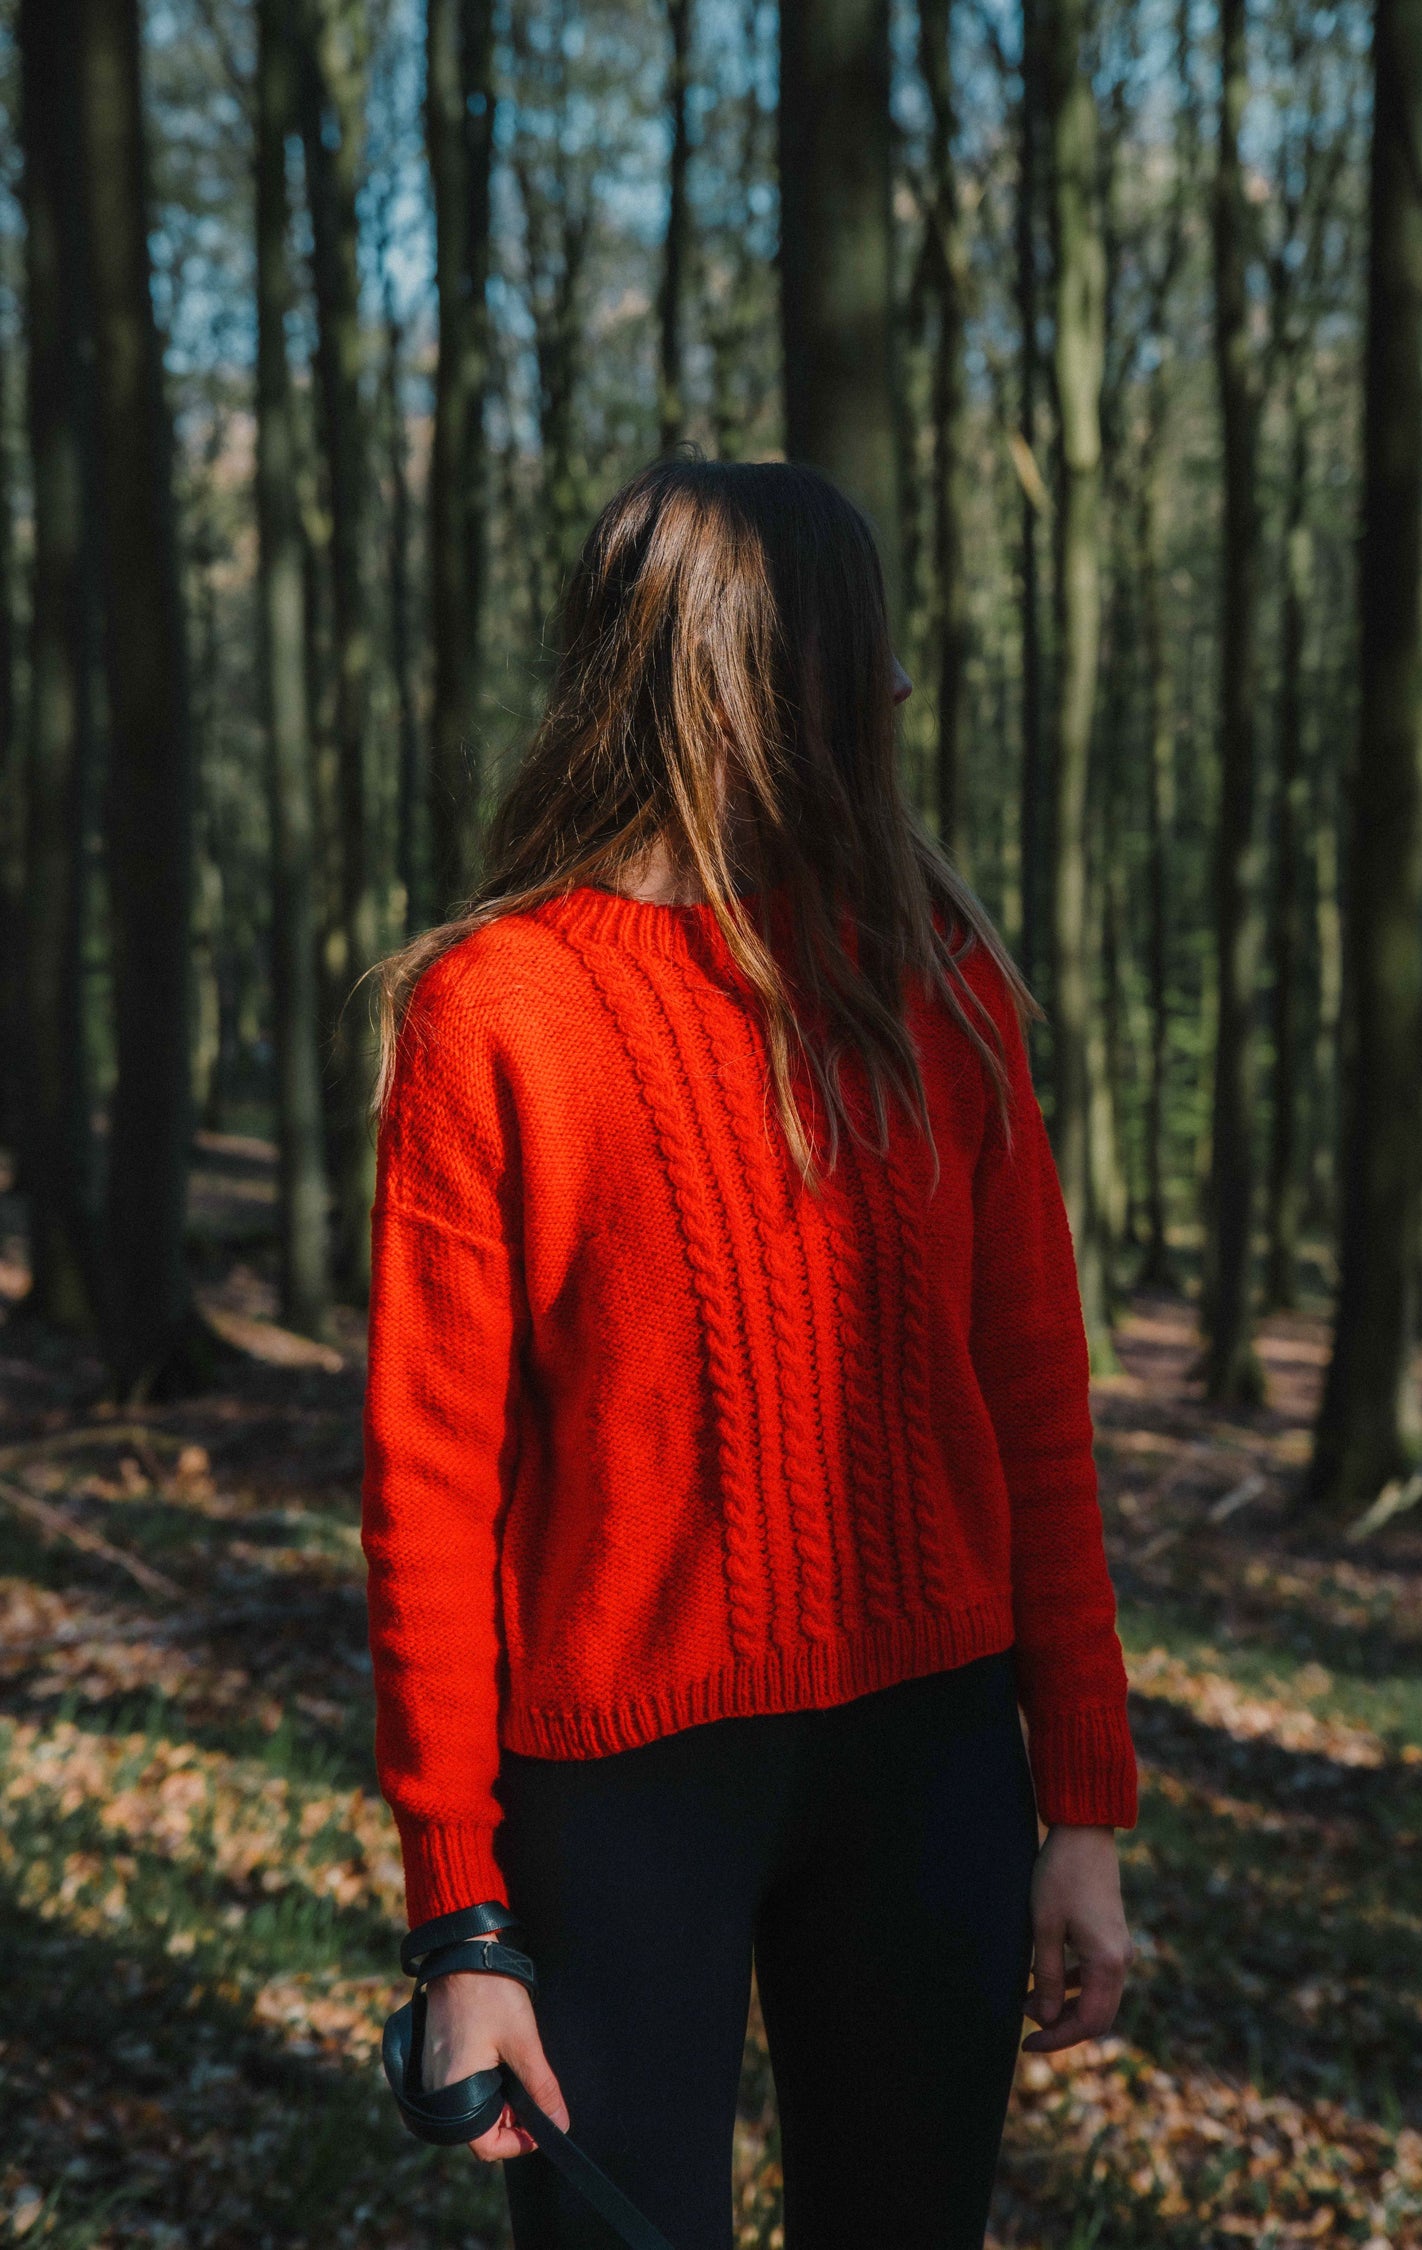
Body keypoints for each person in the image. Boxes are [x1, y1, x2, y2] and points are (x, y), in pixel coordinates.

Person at [361, 456, 1137, 2250]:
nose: (900, 697)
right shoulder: (498, 1011)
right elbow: (426, 1487)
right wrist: (460, 1917)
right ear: (749, 681)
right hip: (620, 1794)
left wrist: (1081, 1806)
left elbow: (1040, 1404)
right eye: (869, 654)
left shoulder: (939, 982)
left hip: (932, 1759)